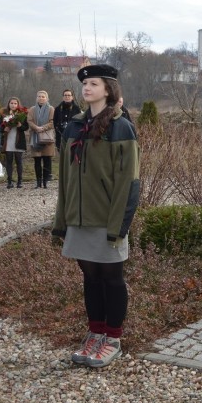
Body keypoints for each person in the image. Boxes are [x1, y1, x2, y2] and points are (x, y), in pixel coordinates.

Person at [52, 64, 140, 368]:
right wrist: (61, 219)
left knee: (111, 279)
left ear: (108, 89)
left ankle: (112, 338)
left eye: (92, 84)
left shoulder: (121, 127)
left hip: (107, 219)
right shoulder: (74, 126)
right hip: (79, 218)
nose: (86, 88)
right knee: (89, 278)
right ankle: (95, 333)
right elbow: (64, 178)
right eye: (84, 84)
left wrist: (119, 226)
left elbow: (129, 182)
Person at [28, 91, 56, 188]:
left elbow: (52, 122)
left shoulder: (51, 109)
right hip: (35, 136)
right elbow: (29, 121)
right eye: (39, 96)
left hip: (47, 137)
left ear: (47, 98)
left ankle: (45, 182)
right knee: (37, 161)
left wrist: (42, 128)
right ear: (36, 98)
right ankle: (38, 182)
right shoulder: (32, 109)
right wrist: (36, 128)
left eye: (43, 96)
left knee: (47, 160)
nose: (41, 98)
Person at [0, 97, 29, 188]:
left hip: (18, 140)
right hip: (8, 140)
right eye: (11, 103)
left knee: (19, 161)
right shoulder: (4, 115)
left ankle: (20, 181)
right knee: (9, 161)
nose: (13, 105)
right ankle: (9, 181)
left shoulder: (22, 114)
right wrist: (4, 128)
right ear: (9, 104)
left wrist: (20, 125)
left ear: (18, 104)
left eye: (15, 103)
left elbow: (26, 127)